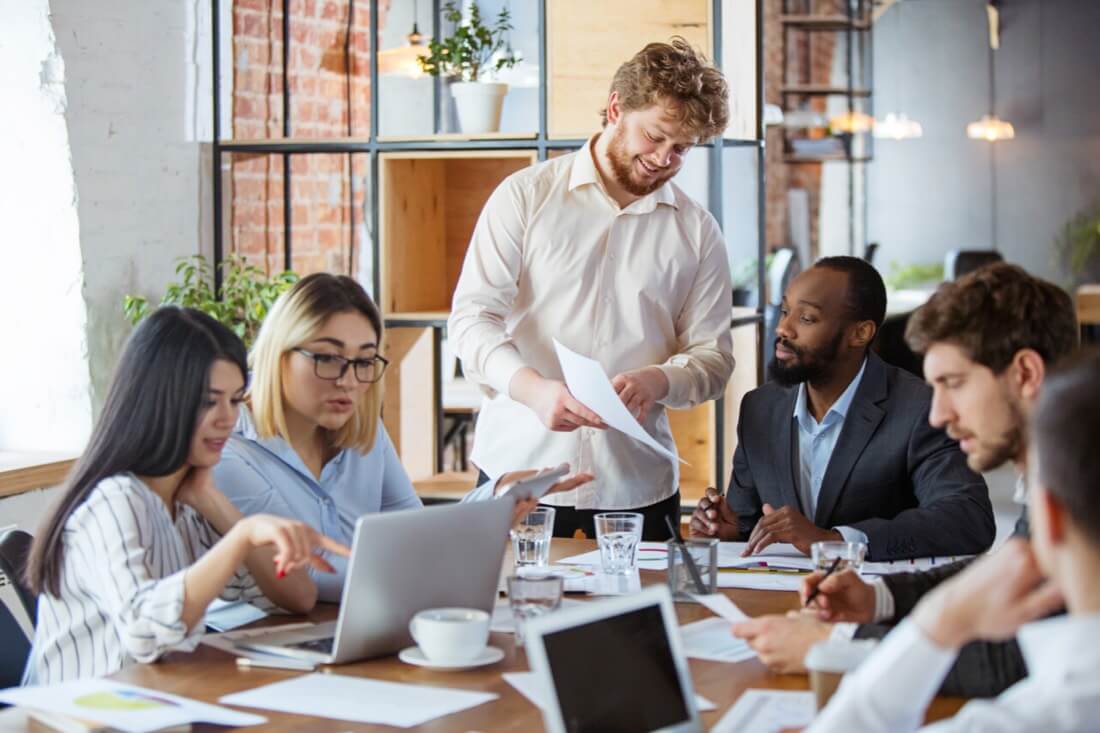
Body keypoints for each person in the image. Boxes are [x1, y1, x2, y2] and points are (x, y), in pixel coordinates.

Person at [728, 263, 1078, 698]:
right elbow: (1009, 570)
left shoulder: (1082, 488)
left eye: (954, 383)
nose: (938, 414)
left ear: (1025, 374)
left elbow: (1018, 658)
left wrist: (835, 646)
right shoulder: (1060, 469)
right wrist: (880, 599)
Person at [448, 38, 735, 540]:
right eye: (655, 137)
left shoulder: (698, 230)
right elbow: (472, 321)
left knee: (642, 620)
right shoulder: (525, 197)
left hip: (639, 488)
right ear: (616, 108)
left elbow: (714, 359)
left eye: (682, 149)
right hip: (521, 474)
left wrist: (659, 380)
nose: (664, 159)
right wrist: (531, 389)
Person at [214, 274, 592, 601]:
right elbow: (312, 576)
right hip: (261, 652)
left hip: (360, 628)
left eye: (364, 361)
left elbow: (412, 531)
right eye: (328, 358)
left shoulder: (362, 430)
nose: (348, 380)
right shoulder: (229, 449)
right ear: (278, 355)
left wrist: (495, 499)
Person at [22, 307, 348, 684]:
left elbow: (298, 598)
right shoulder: (116, 499)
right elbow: (144, 633)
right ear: (162, 402)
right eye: (209, 402)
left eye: (234, 400)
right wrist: (243, 536)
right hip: (74, 716)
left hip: (154, 708)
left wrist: (215, 504)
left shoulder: (186, 504)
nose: (227, 419)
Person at [809, 350, 1100, 732]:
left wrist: (933, 625)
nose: (938, 414)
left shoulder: (1042, 717)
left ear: (1048, 511)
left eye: (954, 383)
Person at [690, 256, 993, 559]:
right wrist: (730, 530)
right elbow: (749, 520)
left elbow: (967, 519)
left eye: (806, 318)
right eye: (785, 311)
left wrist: (836, 541)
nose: (783, 328)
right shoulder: (760, 408)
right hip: (780, 598)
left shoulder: (920, 408)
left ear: (860, 333)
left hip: (882, 598)